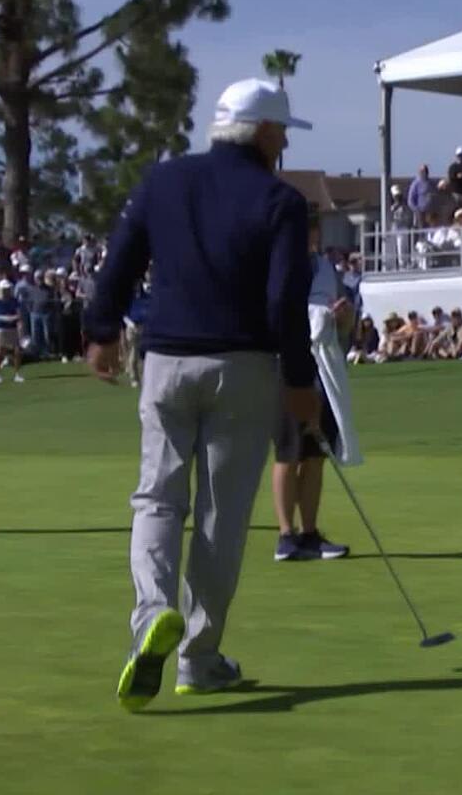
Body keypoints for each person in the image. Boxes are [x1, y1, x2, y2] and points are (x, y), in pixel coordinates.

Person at [83, 77, 318, 711]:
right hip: (242, 367)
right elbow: (284, 301)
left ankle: (151, 616)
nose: (283, 144)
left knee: (157, 498)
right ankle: (198, 657)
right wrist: (300, 381)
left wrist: (100, 330)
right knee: (221, 516)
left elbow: (120, 259)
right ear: (263, 131)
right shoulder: (281, 200)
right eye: (281, 133)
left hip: (166, 362)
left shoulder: (164, 181)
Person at [272, 219, 359, 562]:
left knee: (315, 455)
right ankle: (286, 536)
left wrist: (343, 319)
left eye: (313, 229)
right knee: (289, 452)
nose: (311, 236)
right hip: (288, 370)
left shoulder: (324, 267)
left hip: (325, 372)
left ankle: (309, 533)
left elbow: (345, 326)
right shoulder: (277, 264)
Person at [0, 274, 24, 384]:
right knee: (0, 350)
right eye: (5, 289)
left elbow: (19, 314)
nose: (6, 291)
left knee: (17, 351)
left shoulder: (14, 301)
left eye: (8, 289)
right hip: (0, 329)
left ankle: (17, 374)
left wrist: (17, 321)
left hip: (12, 328)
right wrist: (8, 318)